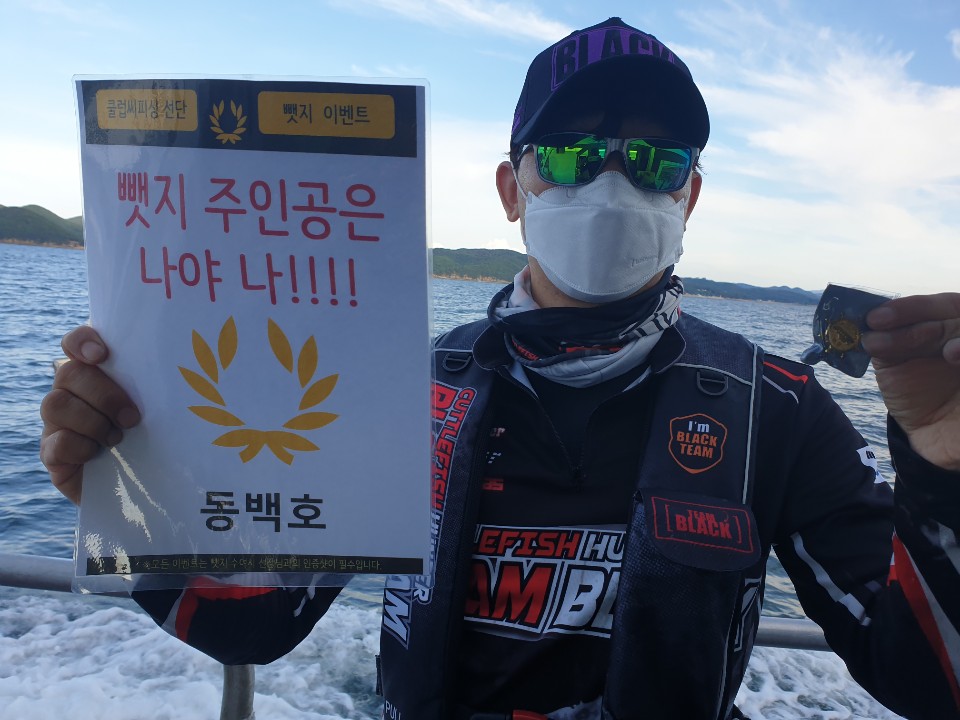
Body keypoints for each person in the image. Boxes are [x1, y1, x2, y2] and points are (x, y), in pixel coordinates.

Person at [40, 17, 960, 720]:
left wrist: (944, 467)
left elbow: (931, 678)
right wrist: (127, 491)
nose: (611, 183)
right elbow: (251, 621)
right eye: (568, 156)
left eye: (654, 161)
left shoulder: (780, 409)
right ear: (512, 190)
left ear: (690, 194)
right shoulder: (396, 389)